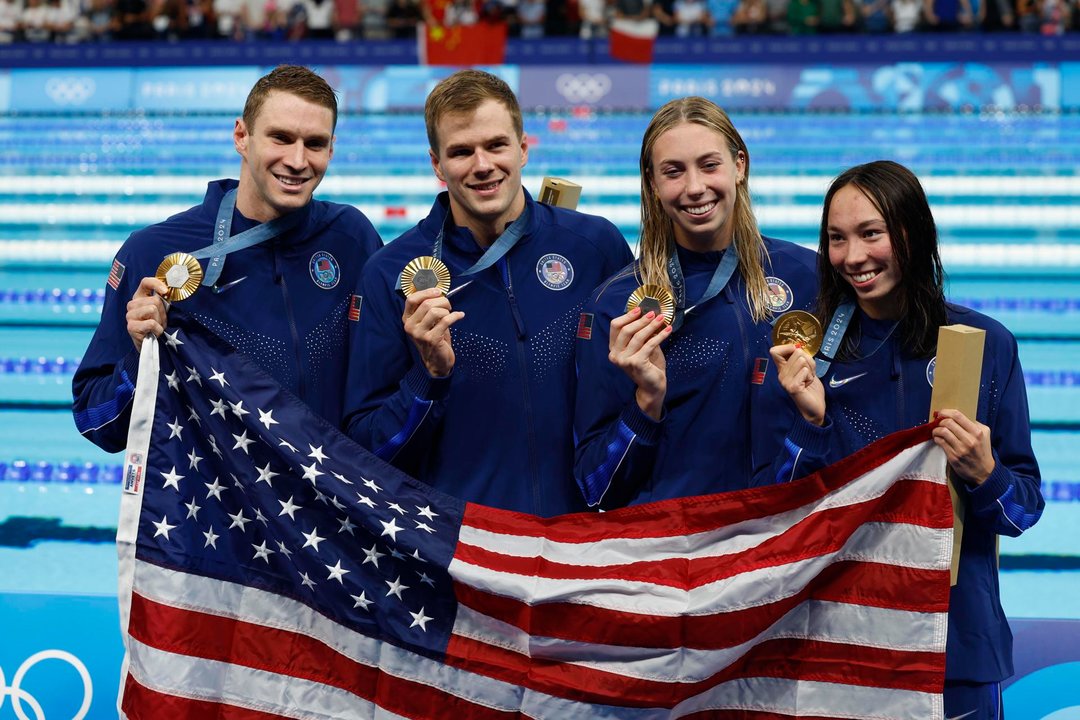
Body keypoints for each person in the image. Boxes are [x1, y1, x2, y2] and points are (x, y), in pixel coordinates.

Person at [754, 160, 1044, 719]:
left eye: (870, 233)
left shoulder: (988, 345)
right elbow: (779, 512)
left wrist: (987, 475)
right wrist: (811, 425)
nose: (853, 257)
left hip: (956, 648)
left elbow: (1022, 512)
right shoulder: (806, 361)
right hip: (843, 643)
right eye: (837, 239)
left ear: (911, 233)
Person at [343, 69, 632, 516]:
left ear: (523, 148)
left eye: (496, 145)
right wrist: (428, 375)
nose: (482, 165)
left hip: (583, 543)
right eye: (461, 152)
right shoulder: (390, 275)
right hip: (468, 554)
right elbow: (365, 450)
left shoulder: (595, 247)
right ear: (437, 165)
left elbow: (633, 397)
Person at [73, 65, 383, 453]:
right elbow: (94, 420)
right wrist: (140, 359)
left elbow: (381, 387)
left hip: (326, 505)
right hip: (220, 508)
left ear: (331, 149)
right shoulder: (153, 252)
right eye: (281, 138)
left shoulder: (351, 237)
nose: (298, 160)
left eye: (315, 144)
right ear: (242, 136)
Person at [572, 96, 818, 509]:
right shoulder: (615, 305)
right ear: (651, 182)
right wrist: (646, 404)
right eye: (673, 172)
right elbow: (594, 488)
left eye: (709, 165)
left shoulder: (808, 277)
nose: (694, 188)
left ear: (739, 165)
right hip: (673, 558)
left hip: (780, 554)